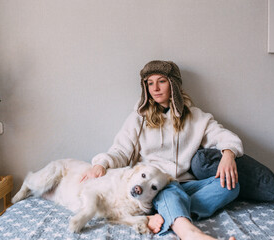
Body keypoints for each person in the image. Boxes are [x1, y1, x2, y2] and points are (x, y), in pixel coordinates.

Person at [81, 60, 243, 240]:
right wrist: (102, 163)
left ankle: (169, 212)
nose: (155, 88)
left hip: (183, 184)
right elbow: (121, 150)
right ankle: (190, 233)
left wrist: (228, 154)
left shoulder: (196, 117)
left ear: (173, 84)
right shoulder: (138, 118)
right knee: (169, 190)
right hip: (153, 185)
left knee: (230, 186)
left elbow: (224, 136)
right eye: (150, 83)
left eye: (161, 81)